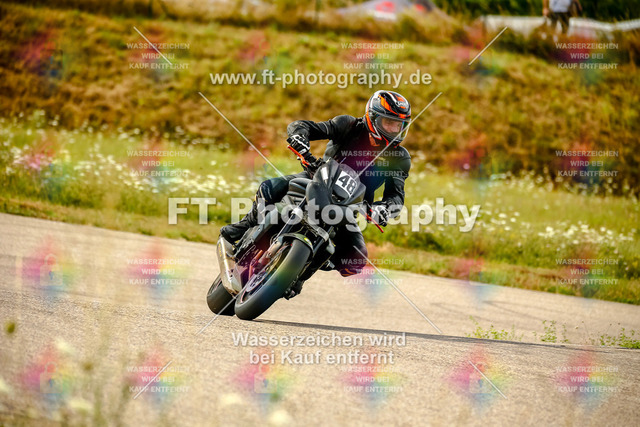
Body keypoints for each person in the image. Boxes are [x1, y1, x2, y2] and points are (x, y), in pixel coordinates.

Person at [220, 90, 412, 292]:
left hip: (349, 206)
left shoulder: (399, 158)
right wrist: (299, 138)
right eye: (388, 123)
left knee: (355, 259)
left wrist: (384, 209)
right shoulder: (348, 125)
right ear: (372, 117)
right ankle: (241, 228)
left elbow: (396, 196)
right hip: (315, 179)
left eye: (398, 125)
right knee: (269, 188)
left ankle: (301, 272)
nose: (393, 129)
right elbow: (304, 126)